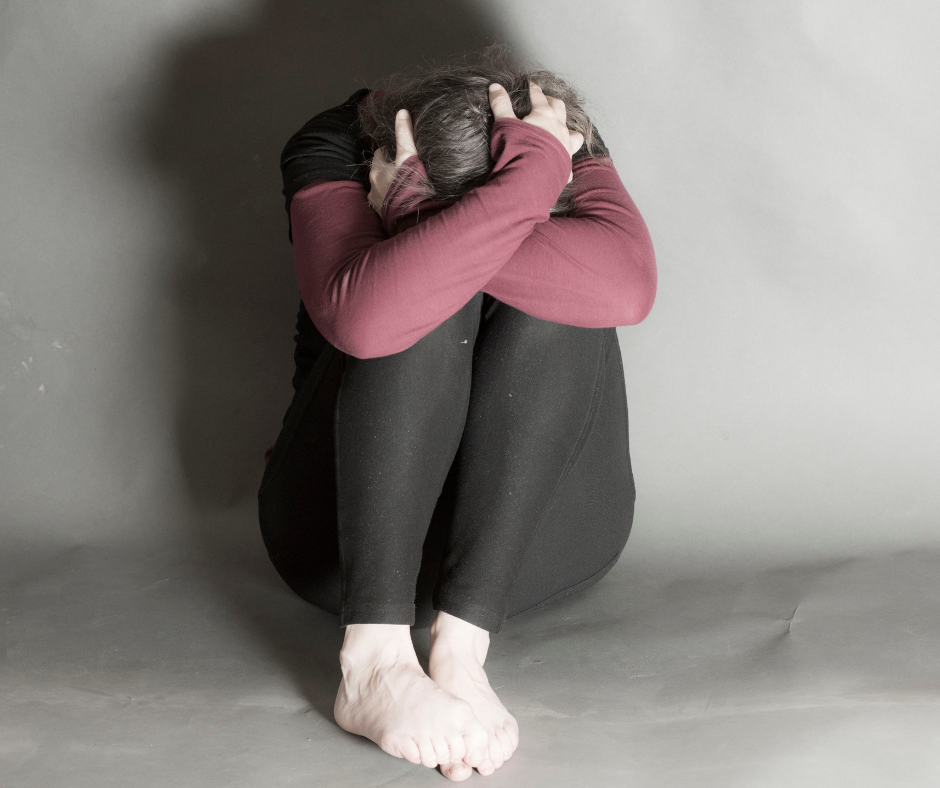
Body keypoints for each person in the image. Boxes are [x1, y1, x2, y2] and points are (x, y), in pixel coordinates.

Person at [258, 47, 656, 781]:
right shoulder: (337, 141)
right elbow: (364, 322)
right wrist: (499, 214)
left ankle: (461, 648)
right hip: (340, 547)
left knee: (571, 292)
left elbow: (627, 291)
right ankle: (374, 662)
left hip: (537, 548)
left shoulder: (553, 127)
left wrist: (423, 214)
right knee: (410, 295)